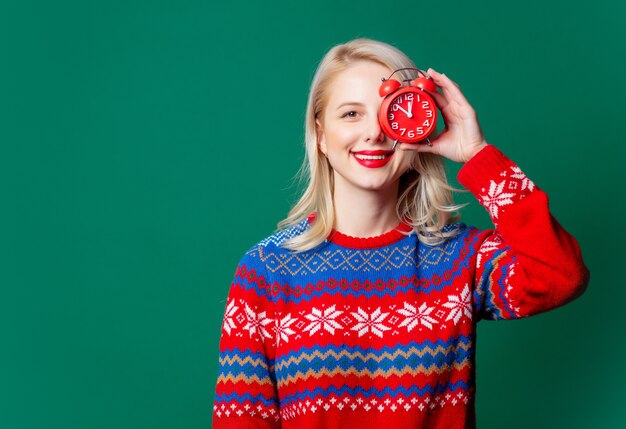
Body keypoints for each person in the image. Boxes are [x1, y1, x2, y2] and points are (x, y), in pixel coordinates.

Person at [211, 38, 589, 429]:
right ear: (320, 135)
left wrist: (478, 154)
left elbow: (561, 274)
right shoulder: (266, 271)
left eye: (391, 113)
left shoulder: (459, 257)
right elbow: (242, 419)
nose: (374, 133)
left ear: (418, 128)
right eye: (351, 114)